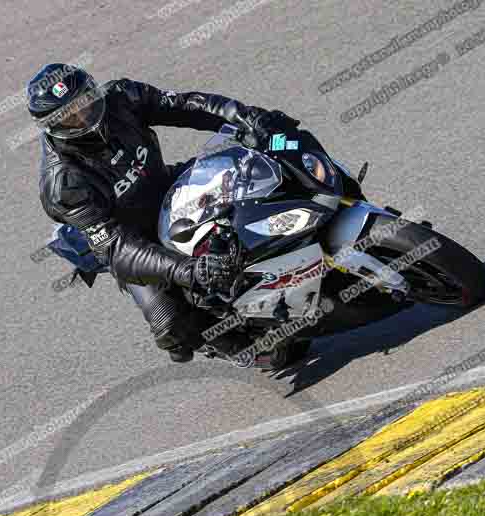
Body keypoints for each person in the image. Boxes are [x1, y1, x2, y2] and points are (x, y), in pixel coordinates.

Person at [29, 63, 300, 363]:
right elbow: (117, 249)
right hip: (135, 238)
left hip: (168, 186)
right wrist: (188, 271)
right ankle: (245, 348)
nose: (85, 115)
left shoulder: (122, 96)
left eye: (87, 101)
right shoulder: (63, 184)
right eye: (70, 117)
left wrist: (246, 117)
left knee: (254, 166)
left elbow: (187, 105)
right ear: (53, 128)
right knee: (169, 323)